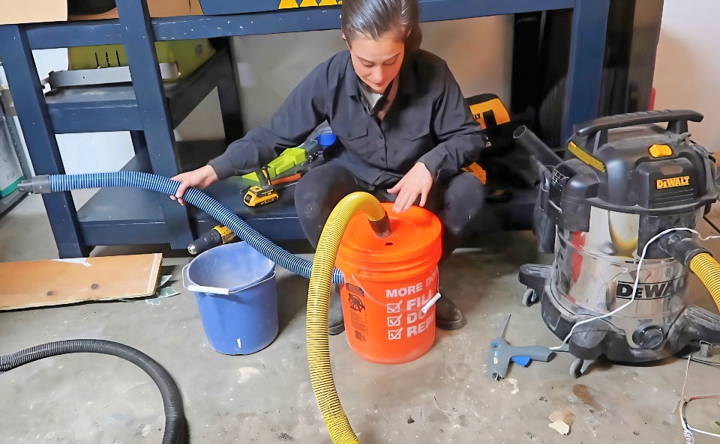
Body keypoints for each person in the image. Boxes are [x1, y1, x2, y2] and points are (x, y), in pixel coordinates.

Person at [171, 0, 487, 334]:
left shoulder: (434, 72)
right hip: (354, 180)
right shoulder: (329, 77)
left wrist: (429, 164)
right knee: (311, 192)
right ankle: (346, 285)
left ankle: (422, 285)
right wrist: (212, 169)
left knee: (468, 192)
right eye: (366, 63)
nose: (379, 76)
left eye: (391, 61)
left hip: (415, 187)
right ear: (346, 39)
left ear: (406, 40)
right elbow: (276, 135)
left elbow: (469, 139)